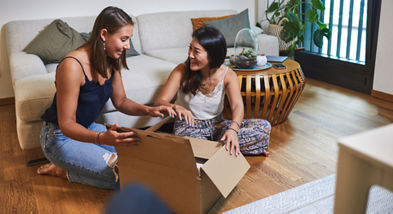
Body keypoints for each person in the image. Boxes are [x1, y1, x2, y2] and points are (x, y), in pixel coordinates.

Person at [37, 6, 175, 189]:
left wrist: (149, 110)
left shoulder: (112, 58)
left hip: (88, 128)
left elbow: (121, 101)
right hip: (60, 137)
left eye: (129, 40)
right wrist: (102, 138)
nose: (127, 46)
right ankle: (62, 170)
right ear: (104, 34)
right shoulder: (72, 66)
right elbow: (67, 124)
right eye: (124, 39)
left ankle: (74, 165)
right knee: (129, 176)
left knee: (143, 161)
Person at [155, 26, 271, 157]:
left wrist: (233, 130)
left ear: (212, 55)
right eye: (190, 48)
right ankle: (229, 148)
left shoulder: (228, 74)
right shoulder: (181, 70)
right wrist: (175, 107)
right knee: (190, 143)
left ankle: (213, 149)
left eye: (196, 51)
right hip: (188, 127)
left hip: (217, 125)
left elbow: (237, 106)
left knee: (263, 127)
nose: (190, 54)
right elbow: (160, 101)